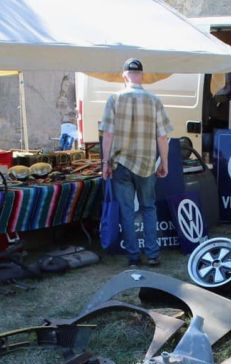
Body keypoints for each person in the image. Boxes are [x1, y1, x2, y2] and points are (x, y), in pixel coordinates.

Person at [100, 58, 173, 267]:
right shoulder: (154, 100)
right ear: (141, 75)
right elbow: (162, 137)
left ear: (124, 76)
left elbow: (108, 134)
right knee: (148, 208)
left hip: (121, 163)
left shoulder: (114, 99)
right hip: (147, 164)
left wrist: (105, 163)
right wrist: (164, 162)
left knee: (127, 211)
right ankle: (152, 255)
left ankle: (133, 257)